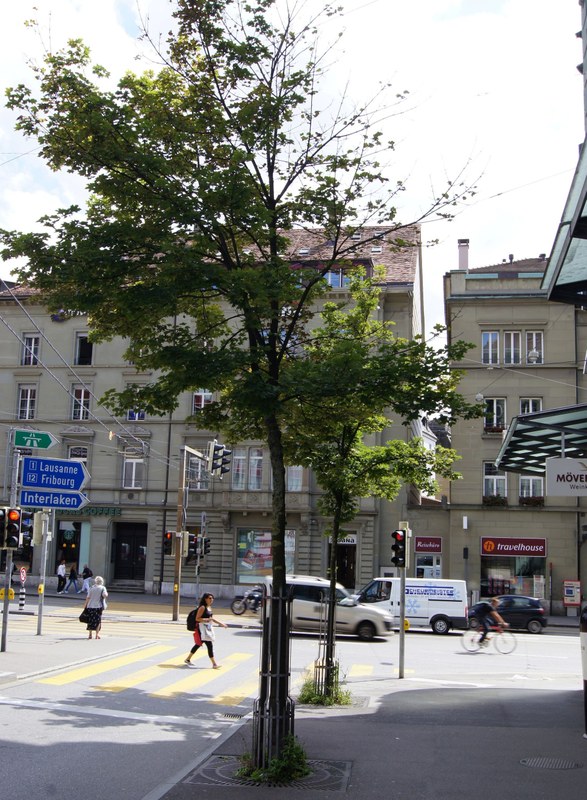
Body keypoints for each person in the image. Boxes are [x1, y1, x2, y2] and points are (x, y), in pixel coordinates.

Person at [184, 593, 227, 668]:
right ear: (205, 599)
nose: (211, 600)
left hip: (206, 628)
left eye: (212, 598)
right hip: (201, 628)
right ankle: (214, 664)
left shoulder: (209, 607)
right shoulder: (202, 607)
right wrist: (206, 619)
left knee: (198, 644)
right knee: (209, 645)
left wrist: (221, 624)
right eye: (210, 598)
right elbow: (197, 618)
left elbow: (212, 618)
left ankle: (188, 659)